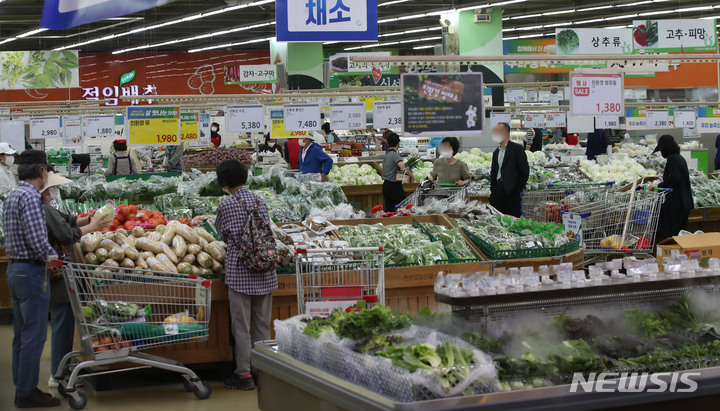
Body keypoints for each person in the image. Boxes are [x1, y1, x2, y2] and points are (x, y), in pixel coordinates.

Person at [41, 172, 109, 389]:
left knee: (66, 319)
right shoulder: (44, 209)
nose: (54, 191)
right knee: (62, 320)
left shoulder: (50, 208)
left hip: (64, 271)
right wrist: (93, 227)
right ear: (44, 190)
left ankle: (63, 369)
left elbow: (70, 221)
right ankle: (58, 374)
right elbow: (66, 234)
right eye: (52, 188)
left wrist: (92, 218)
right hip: (59, 273)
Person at [4, 150, 60, 408]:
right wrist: (55, 258)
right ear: (42, 172)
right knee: (34, 336)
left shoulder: (12, 195)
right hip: (31, 272)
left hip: (15, 270)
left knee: (21, 334)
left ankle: (22, 386)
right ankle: (27, 393)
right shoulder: (31, 196)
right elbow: (38, 240)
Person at [214, 160, 277, 391]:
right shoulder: (261, 202)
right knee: (262, 325)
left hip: (240, 271)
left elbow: (221, 235)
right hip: (265, 270)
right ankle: (263, 371)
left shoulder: (226, 206)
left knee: (241, 326)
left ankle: (243, 374)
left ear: (223, 182)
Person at [651, 135, 694, 241]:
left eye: (661, 150)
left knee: (673, 236)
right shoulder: (679, 158)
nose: (661, 153)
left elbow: (674, 179)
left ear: (666, 149)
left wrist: (658, 186)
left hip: (677, 204)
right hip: (683, 203)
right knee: (680, 236)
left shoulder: (673, 159)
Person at [490, 123, 529, 217]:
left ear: (507, 134)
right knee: (497, 220)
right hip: (498, 192)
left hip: (512, 192)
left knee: (513, 220)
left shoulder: (517, 149)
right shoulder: (496, 152)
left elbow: (524, 171)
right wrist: (494, 189)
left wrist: (517, 189)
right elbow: (494, 173)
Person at [382, 132, 414, 212]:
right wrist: (411, 175)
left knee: (389, 209)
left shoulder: (386, 155)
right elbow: (403, 167)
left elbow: (392, 171)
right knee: (402, 208)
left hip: (386, 185)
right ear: (398, 143)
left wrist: (405, 178)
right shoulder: (394, 155)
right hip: (394, 187)